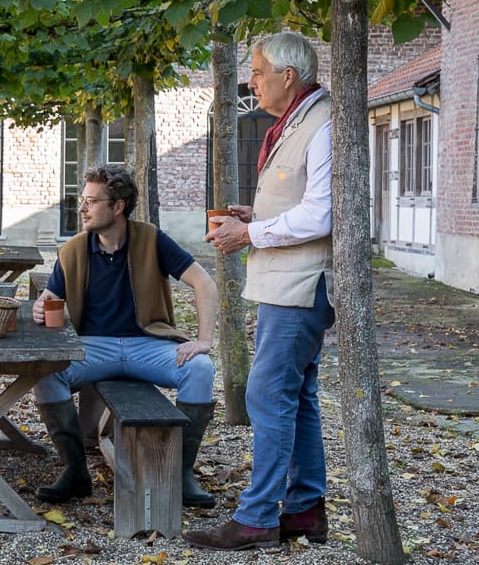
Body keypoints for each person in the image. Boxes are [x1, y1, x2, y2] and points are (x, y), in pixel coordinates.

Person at [185, 31, 334, 550]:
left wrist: (250, 233)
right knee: (299, 397)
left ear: (286, 77)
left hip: (301, 284)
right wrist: (260, 216)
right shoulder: (300, 120)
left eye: (257, 72)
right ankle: (305, 510)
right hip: (286, 281)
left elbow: (322, 214)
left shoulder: (324, 123)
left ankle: (256, 518)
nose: (251, 81)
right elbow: (302, 202)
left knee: (267, 395)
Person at [32, 164, 220, 506]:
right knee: (45, 372)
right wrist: (40, 307)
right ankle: (75, 470)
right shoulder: (72, 250)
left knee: (201, 369)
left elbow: (203, 282)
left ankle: (181, 474)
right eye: (82, 200)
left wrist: (204, 340)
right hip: (94, 348)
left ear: (118, 206)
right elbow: (49, 299)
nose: (83, 208)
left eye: (92, 201)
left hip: (147, 345)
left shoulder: (151, 239)